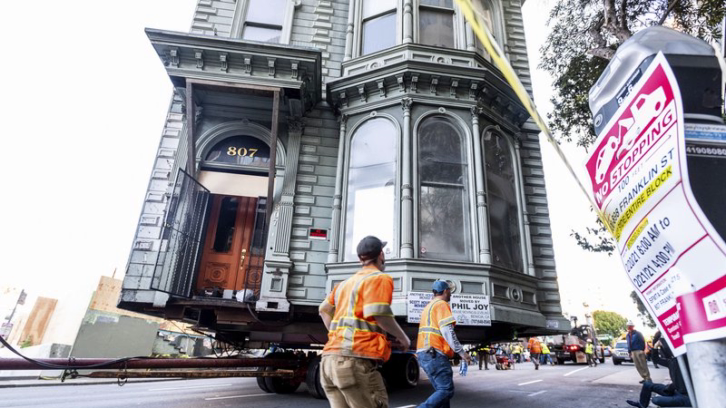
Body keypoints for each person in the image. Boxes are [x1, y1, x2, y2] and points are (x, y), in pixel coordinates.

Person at [318, 236, 411, 408]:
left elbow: (324, 310)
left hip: (329, 362)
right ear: (381, 254)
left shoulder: (344, 284)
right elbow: (379, 313)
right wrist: (404, 338)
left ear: (360, 258)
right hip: (355, 361)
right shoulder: (379, 278)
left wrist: (335, 335)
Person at [416, 280, 472, 408]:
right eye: (450, 291)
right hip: (435, 353)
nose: (451, 294)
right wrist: (462, 353)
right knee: (446, 390)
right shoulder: (441, 305)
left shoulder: (429, 306)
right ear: (445, 291)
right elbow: (448, 332)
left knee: (442, 394)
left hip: (425, 353)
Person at [626, 342, 691, 407]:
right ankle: (642, 405)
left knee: (656, 400)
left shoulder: (687, 362)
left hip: (685, 397)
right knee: (647, 384)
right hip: (672, 391)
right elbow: (656, 359)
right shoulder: (672, 361)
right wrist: (655, 347)